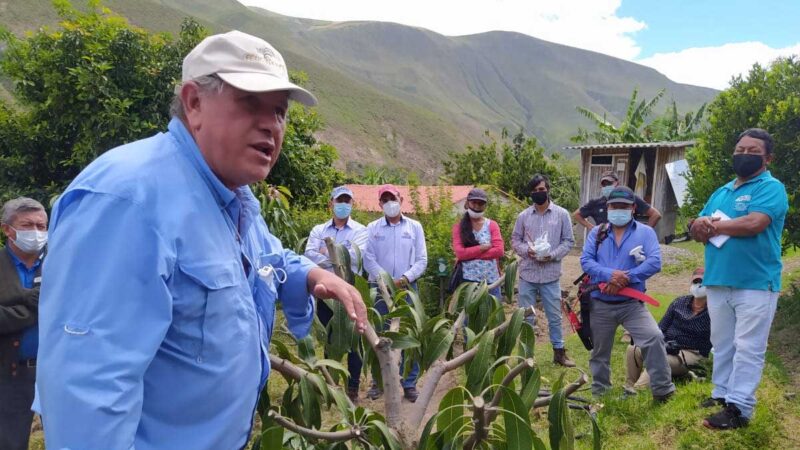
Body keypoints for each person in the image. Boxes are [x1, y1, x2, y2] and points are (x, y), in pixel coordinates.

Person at [36, 31, 368, 449]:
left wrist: (313, 273)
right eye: (251, 102)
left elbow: (268, 260)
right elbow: (88, 388)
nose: (271, 124)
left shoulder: (233, 198)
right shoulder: (128, 200)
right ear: (194, 103)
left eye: (280, 112)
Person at [690, 128, 788, 430]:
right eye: (740, 149)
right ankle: (721, 394)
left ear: (767, 158)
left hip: (756, 283)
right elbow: (696, 226)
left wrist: (715, 227)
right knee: (721, 343)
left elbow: (755, 223)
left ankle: (739, 409)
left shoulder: (770, 188)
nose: (744, 154)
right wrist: (699, 224)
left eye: (752, 151)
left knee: (749, 346)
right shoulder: (722, 191)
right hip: (719, 280)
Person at [580, 186, 675, 403]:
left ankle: (663, 390)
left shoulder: (646, 232)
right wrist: (609, 275)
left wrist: (627, 277)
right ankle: (600, 393)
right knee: (600, 352)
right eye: (615, 206)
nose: (619, 210)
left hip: (632, 303)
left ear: (633, 208)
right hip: (600, 304)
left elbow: (654, 262)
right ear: (608, 207)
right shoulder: (598, 233)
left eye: (624, 206)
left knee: (653, 337)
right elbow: (586, 261)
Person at [363, 184, 427, 402]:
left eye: (393, 198)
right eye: (385, 199)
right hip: (378, 289)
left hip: (407, 287)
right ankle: (378, 381)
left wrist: (405, 278)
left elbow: (421, 260)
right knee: (379, 334)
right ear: (380, 203)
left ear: (401, 199)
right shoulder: (372, 227)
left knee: (408, 334)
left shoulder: (415, 227)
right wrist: (385, 281)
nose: (390, 202)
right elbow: (368, 258)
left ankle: (409, 383)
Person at [304, 185, 367, 401]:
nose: (343, 205)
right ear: (331, 203)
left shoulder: (360, 231)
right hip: (326, 294)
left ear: (352, 204)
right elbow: (309, 256)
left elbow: (355, 258)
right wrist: (337, 254)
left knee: (354, 341)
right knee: (331, 338)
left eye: (347, 201)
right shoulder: (318, 230)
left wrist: (327, 252)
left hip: (351, 290)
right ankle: (332, 385)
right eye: (339, 201)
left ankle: (353, 388)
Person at [511, 174, 576, 367]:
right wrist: (527, 251)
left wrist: (553, 254)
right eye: (534, 191)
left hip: (550, 274)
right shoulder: (523, 216)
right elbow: (515, 240)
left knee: (554, 315)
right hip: (528, 273)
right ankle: (526, 356)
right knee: (526, 317)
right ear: (530, 194)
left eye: (541, 189)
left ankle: (559, 353)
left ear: (547, 189)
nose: (539, 193)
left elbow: (569, 241)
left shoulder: (562, 214)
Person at [0, 198, 47, 450]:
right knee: (9, 443)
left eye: (41, 226)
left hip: (57, 372)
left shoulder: (61, 264)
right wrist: (38, 305)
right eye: (28, 225)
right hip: (10, 373)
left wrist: (15, 307)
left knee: (69, 441)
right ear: (7, 229)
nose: (36, 232)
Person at [625, 268, 711, 392]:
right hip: (666, 345)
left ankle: (637, 391)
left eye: (703, 282)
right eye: (695, 281)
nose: (699, 285)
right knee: (633, 348)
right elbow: (660, 329)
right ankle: (629, 385)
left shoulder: (714, 310)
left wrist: (676, 349)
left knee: (659, 359)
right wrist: (663, 345)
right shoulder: (678, 303)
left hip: (692, 353)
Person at [451, 188, 504, 298]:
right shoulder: (458, 227)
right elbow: (460, 253)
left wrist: (469, 255)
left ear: (485, 206)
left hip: (491, 281)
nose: (477, 206)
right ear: (467, 203)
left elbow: (499, 250)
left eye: (481, 203)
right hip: (468, 283)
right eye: (474, 202)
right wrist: (483, 248)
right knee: (469, 314)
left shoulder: (492, 225)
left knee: (492, 313)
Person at [573, 170, 662, 231]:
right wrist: (591, 227)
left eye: (609, 183)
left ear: (617, 183)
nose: (607, 186)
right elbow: (577, 214)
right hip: (604, 241)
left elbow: (655, 214)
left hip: (627, 240)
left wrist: (645, 233)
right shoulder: (596, 203)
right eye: (604, 184)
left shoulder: (630, 198)